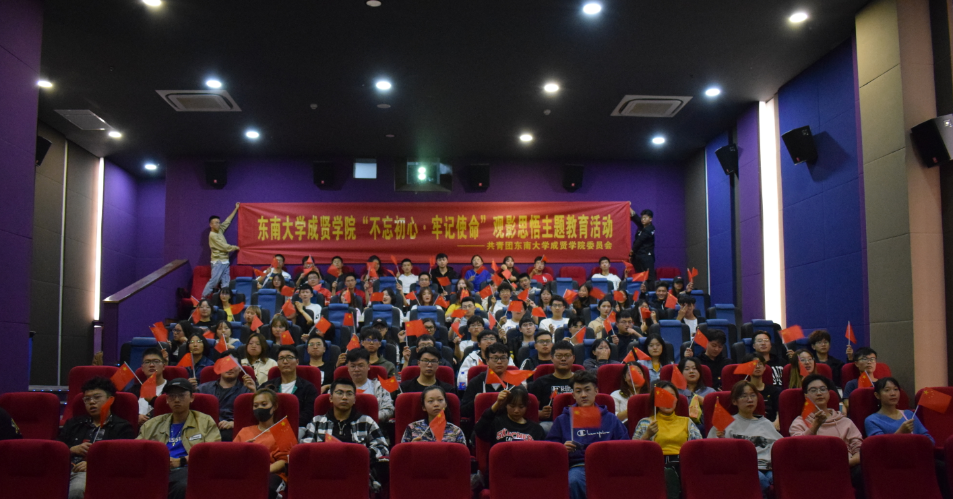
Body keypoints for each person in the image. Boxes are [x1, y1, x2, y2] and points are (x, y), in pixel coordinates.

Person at [547, 370, 629, 499]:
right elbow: (550, 450)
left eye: (587, 390)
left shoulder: (611, 419)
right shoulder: (563, 420)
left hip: (607, 467)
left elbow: (625, 446)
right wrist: (562, 449)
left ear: (596, 391)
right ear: (573, 395)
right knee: (573, 481)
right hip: (578, 466)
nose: (583, 395)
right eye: (578, 391)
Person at [136, 378, 222, 499]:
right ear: (166, 399)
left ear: (192, 398)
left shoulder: (205, 421)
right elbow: (137, 452)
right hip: (156, 471)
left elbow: (212, 454)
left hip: (188, 470)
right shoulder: (152, 424)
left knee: (183, 486)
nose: (176, 400)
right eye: (172, 396)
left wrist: (181, 461)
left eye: (181, 395)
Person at [302, 378, 390, 492]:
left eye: (349, 394)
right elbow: (305, 450)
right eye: (339, 393)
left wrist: (359, 454)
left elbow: (383, 449)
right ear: (331, 398)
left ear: (354, 399)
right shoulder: (317, 422)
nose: (344, 397)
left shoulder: (366, 421)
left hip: (356, 474)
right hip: (324, 474)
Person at [60, 377, 135, 499]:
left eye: (97, 397)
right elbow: (57, 448)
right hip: (65, 470)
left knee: (77, 491)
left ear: (110, 400)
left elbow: (124, 458)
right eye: (87, 399)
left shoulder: (122, 427)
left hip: (96, 473)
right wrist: (72, 449)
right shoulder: (73, 423)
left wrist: (93, 464)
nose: (91, 402)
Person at [789, 374, 863, 495]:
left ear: (829, 393)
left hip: (846, 468)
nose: (819, 393)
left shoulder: (845, 421)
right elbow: (799, 450)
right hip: (814, 470)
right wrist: (814, 427)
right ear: (806, 396)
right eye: (813, 390)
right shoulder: (799, 422)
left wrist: (846, 463)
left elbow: (859, 449)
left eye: (823, 389)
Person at [707, 381, 782, 499]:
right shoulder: (725, 422)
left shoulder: (766, 423)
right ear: (734, 401)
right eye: (744, 396)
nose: (750, 400)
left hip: (768, 467)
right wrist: (720, 439)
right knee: (761, 480)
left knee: (780, 479)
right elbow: (711, 449)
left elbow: (780, 448)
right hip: (743, 468)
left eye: (753, 395)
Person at [632, 380, 704, 499]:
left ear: (677, 400)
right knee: (666, 473)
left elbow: (698, 449)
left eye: (672, 396)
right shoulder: (646, 422)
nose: (668, 400)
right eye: (664, 396)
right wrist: (647, 435)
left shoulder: (687, 422)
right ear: (655, 400)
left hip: (683, 464)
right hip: (656, 465)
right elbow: (633, 453)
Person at [234, 388, 294, 499]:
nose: (259, 408)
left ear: (274, 407)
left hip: (271, 475)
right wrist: (242, 449)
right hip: (245, 473)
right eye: (255, 405)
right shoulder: (244, 431)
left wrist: (261, 471)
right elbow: (232, 457)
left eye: (264, 404)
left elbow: (285, 461)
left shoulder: (283, 431)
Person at [261, 346, 318, 428]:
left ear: (297, 361)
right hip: (269, 426)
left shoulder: (308, 388)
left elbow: (308, 414)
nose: (285, 361)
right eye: (281, 358)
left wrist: (286, 426)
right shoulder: (267, 386)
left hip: (297, 427)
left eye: (289, 357)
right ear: (277, 363)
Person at [196, 363, 256, 441]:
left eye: (233, 365)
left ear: (240, 369)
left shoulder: (248, 389)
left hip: (232, 430)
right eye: (226, 365)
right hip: (206, 427)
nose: (230, 368)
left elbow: (252, 415)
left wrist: (234, 423)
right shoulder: (203, 389)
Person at [461, 343, 518, 419]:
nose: (499, 362)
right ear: (487, 360)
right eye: (495, 358)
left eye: (503, 358)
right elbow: (463, 411)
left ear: (508, 360)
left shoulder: (515, 382)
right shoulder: (476, 382)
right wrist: (476, 401)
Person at [529, 340, 577, 429]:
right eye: (559, 356)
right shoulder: (541, 382)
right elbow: (530, 411)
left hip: (577, 420)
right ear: (552, 358)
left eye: (567, 356)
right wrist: (540, 413)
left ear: (573, 358)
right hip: (550, 423)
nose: (563, 359)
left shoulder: (581, 380)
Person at [400, 385, 467, 444]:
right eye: (430, 401)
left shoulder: (456, 431)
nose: (436, 404)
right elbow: (403, 453)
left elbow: (461, 453)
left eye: (440, 400)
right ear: (423, 407)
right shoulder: (412, 428)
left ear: (445, 404)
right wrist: (411, 447)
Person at [343, 348, 395, 421]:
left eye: (360, 366)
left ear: (368, 366)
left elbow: (389, 410)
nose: (356, 369)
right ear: (347, 367)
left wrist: (368, 418)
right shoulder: (339, 387)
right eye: (353, 366)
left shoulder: (379, 387)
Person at [201, 203, 240, 298]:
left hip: (225, 261)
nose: (218, 224)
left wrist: (236, 209)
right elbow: (224, 247)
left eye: (219, 222)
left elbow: (227, 221)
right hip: (218, 262)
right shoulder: (212, 235)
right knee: (214, 281)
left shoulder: (220, 230)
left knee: (226, 283)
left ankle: (224, 300)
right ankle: (202, 298)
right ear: (211, 224)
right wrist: (235, 247)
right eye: (216, 223)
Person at [125, 347, 168, 424]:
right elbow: (125, 411)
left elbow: (169, 410)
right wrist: (135, 417)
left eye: (156, 361)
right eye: (147, 362)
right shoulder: (134, 390)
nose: (151, 365)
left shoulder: (171, 388)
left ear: (163, 366)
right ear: (142, 368)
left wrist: (153, 400)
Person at [741, 354, 781, 430]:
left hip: (772, 427)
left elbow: (779, 411)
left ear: (764, 367)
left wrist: (776, 422)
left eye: (760, 364)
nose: (757, 366)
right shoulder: (743, 390)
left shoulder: (774, 390)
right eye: (753, 364)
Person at [677, 356, 715, 432]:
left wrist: (706, 403)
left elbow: (718, 415)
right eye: (687, 369)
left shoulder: (710, 392)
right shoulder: (676, 392)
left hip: (705, 428)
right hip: (680, 428)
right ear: (680, 373)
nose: (691, 371)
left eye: (694, 368)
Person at [842, 347, 879, 413]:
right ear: (856, 363)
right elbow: (847, 405)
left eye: (872, 359)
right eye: (864, 359)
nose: (869, 362)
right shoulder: (851, 384)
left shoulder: (882, 383)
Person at [629, 207, 656, 282]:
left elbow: (639, 241)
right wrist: (628, 206)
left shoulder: (650, 229)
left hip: (646, 257)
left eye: (645, 218)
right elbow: (635, 217)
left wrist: (631, 252)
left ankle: (650, 289)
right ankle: (641, 289)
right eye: (642, 218)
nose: (643, 219)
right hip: (638, 257)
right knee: (640, 277)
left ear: (650, 219)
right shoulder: (642, 225)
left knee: (649, 278)